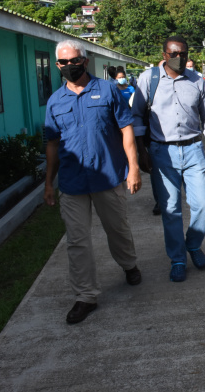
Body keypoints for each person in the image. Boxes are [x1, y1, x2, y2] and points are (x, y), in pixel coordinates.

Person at [44, 39, 142, 324]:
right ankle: (85, 296)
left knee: (117, 229)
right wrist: (49, 183)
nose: (69, 67)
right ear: (57, 65)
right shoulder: (55, 101)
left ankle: (129, 264)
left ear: (85, 61)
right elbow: (52, 145)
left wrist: (133, 168)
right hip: (73, 183)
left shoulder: (109, 90)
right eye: (63, 62)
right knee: (77, 241)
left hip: (108, 175)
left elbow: (126, 130)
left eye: (74, 61)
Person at [132, 36, 205, 283]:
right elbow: (137, 118)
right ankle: (178, 258)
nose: (178, 58)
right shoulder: (148, 79)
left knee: (202, 204)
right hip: (162, 152)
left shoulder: (197, 81)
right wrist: (142, 152)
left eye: (183, 53)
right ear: (164, 54)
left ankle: (193, 244)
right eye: (173, 53)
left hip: (193, 150)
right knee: (171, 210)